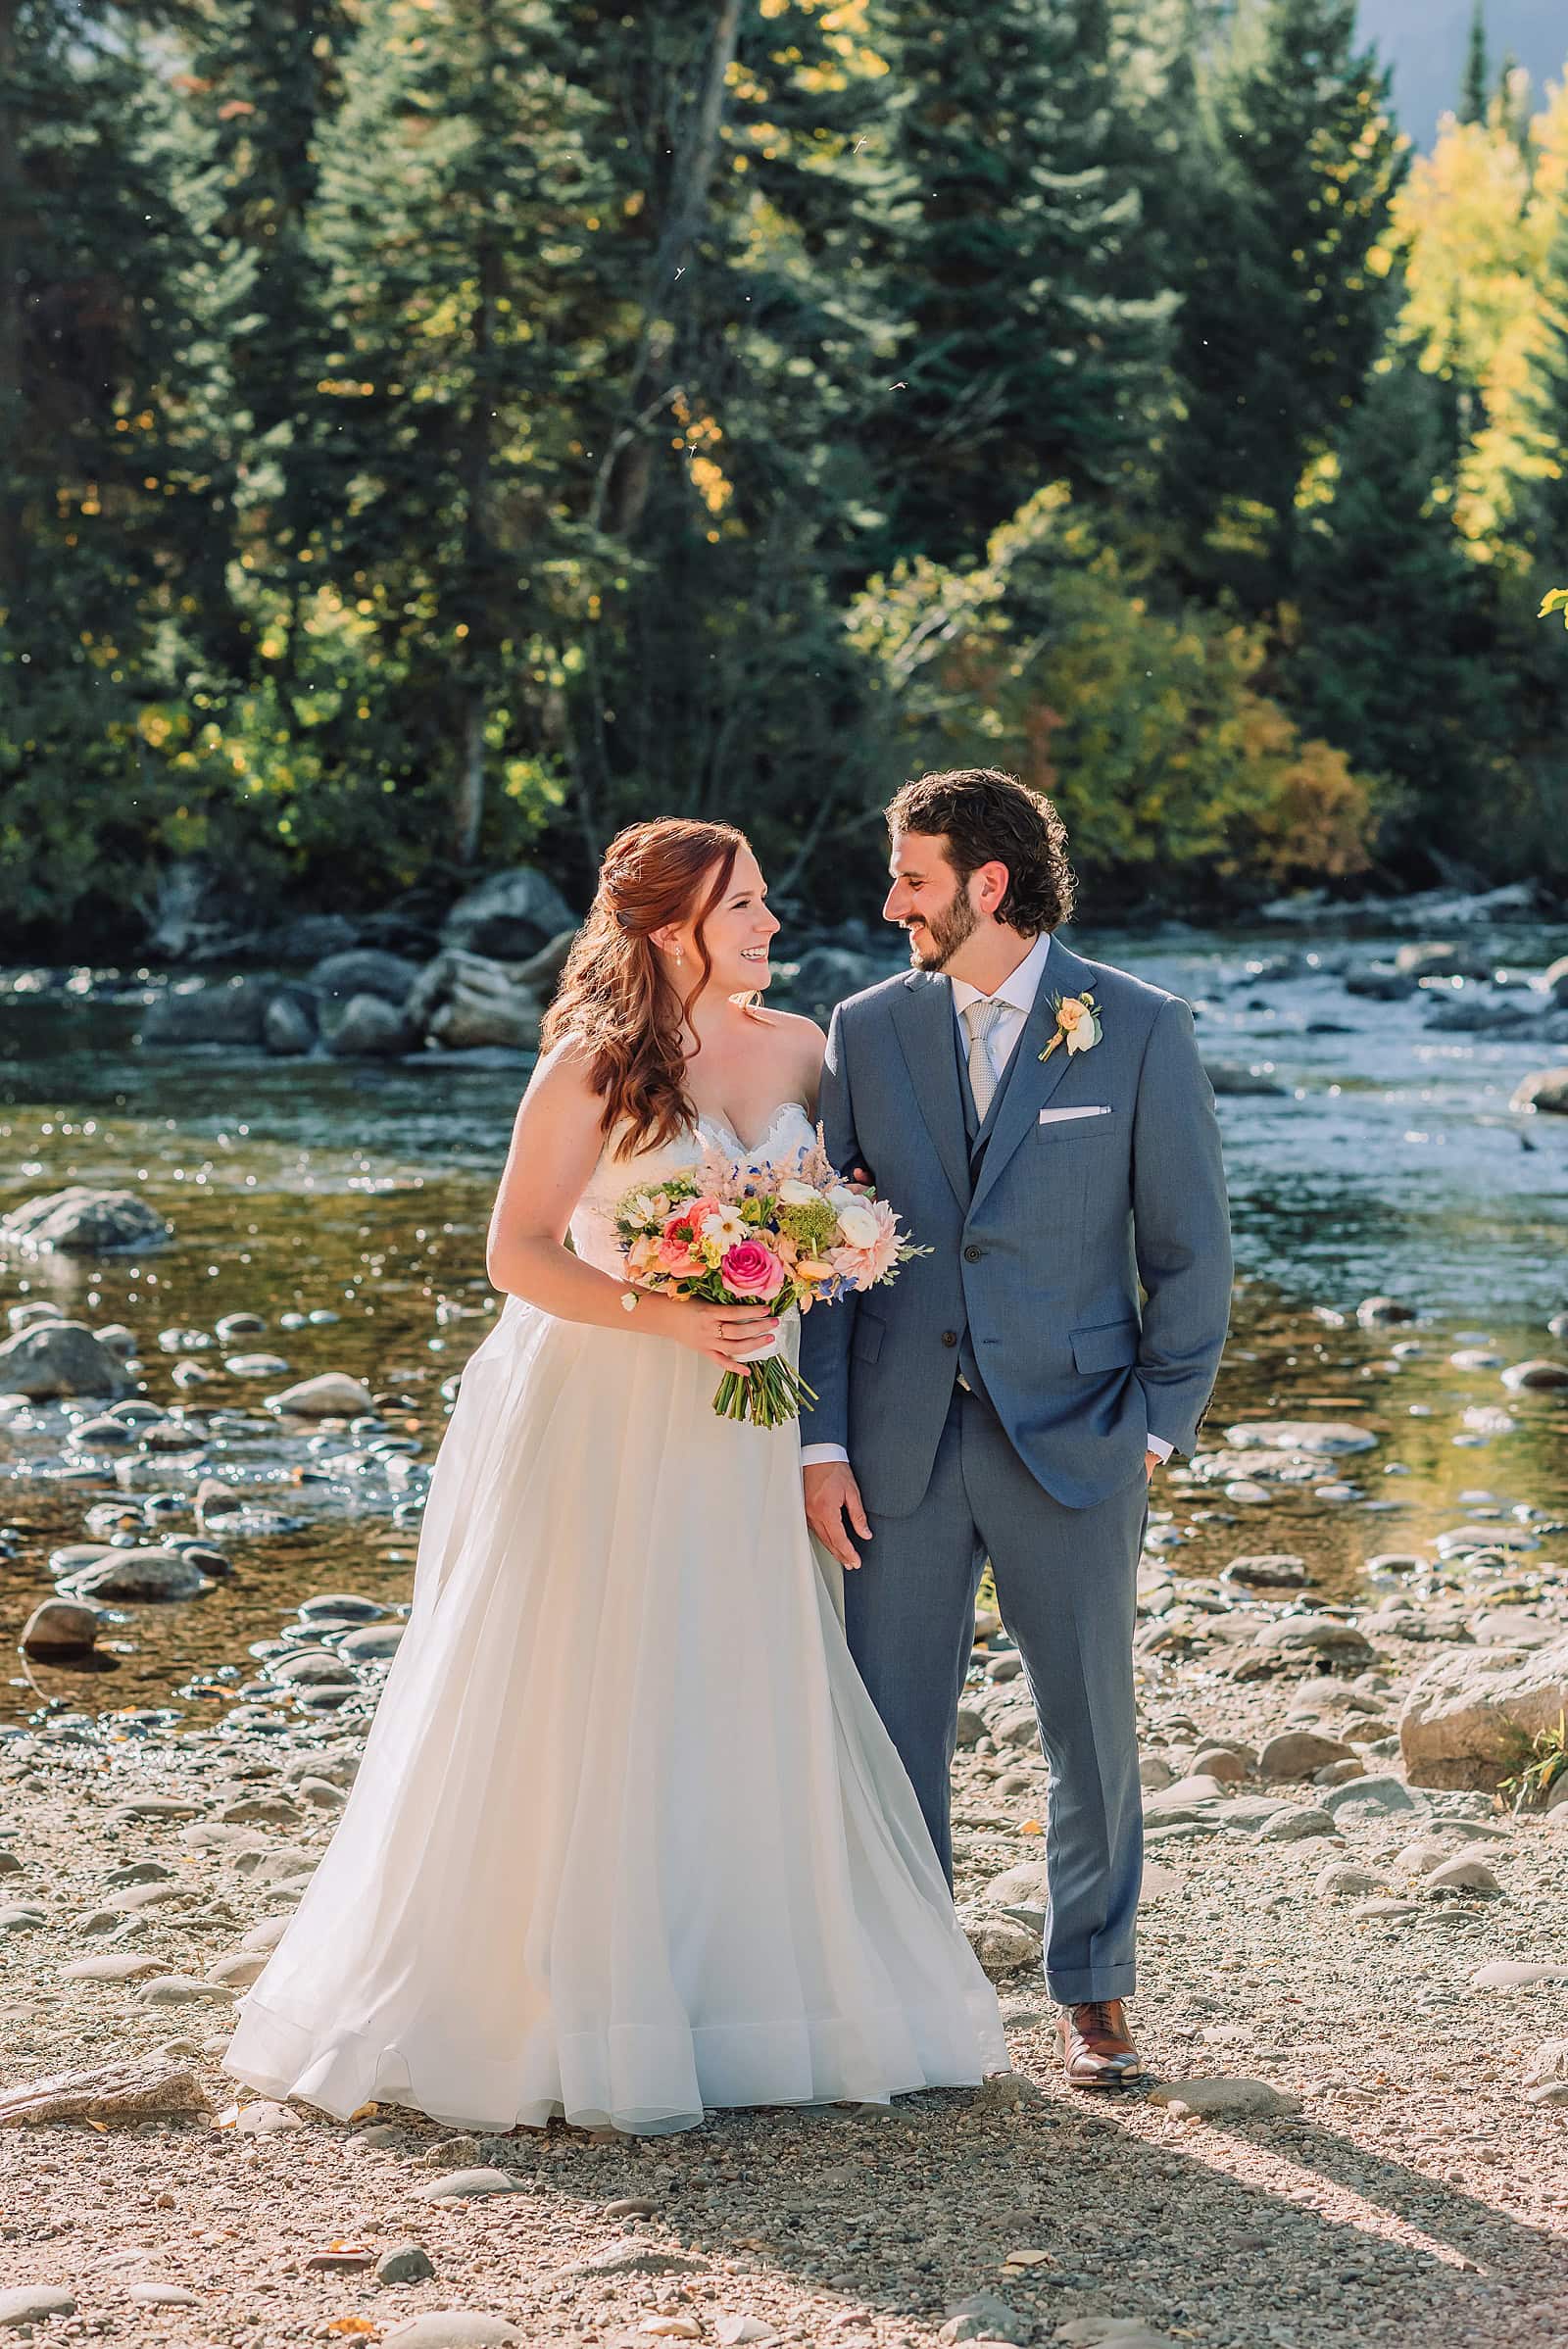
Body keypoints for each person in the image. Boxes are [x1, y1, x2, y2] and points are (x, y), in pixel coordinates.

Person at [222, 816, 1006, 2134]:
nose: (768, 920)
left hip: (747, 1415)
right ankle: (562, 2006)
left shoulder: (809, 1049)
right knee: (590, 1683)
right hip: (604, 1402)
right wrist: (671, 1313)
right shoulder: (594, 1064)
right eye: (741, 903)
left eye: (764, 897)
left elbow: (831, 1218)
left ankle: (738, 2001)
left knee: (733, 1673)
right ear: (666, 927)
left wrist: (829, 1251)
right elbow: (519, 1252)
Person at [801, 768, 1232, 2092]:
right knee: (893, 1725)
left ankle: (1094, 1994)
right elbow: (819, 1249)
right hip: (895, 1445)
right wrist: (817, 1443)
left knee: (1089, 1726)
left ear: (987, 885)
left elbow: (1192, 1250)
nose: (891, 905)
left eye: (912, 879)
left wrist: (1157, 1426)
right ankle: (919, 1998)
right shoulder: (865, 1030)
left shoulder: (1142, 1029)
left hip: (1081, 1436)